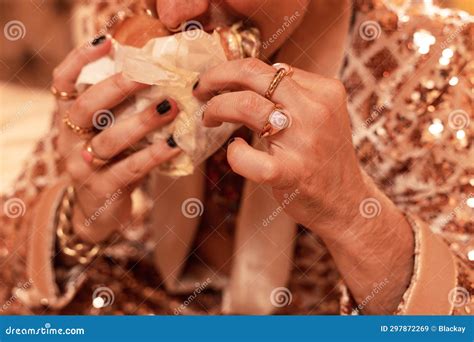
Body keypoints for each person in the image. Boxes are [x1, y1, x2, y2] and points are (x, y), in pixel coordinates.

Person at [0, 0, 472, 315]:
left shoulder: (441, 61)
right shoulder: (116, 20)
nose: (175, 11)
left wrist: (353, 217)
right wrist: (79, 219)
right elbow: (11, 272)